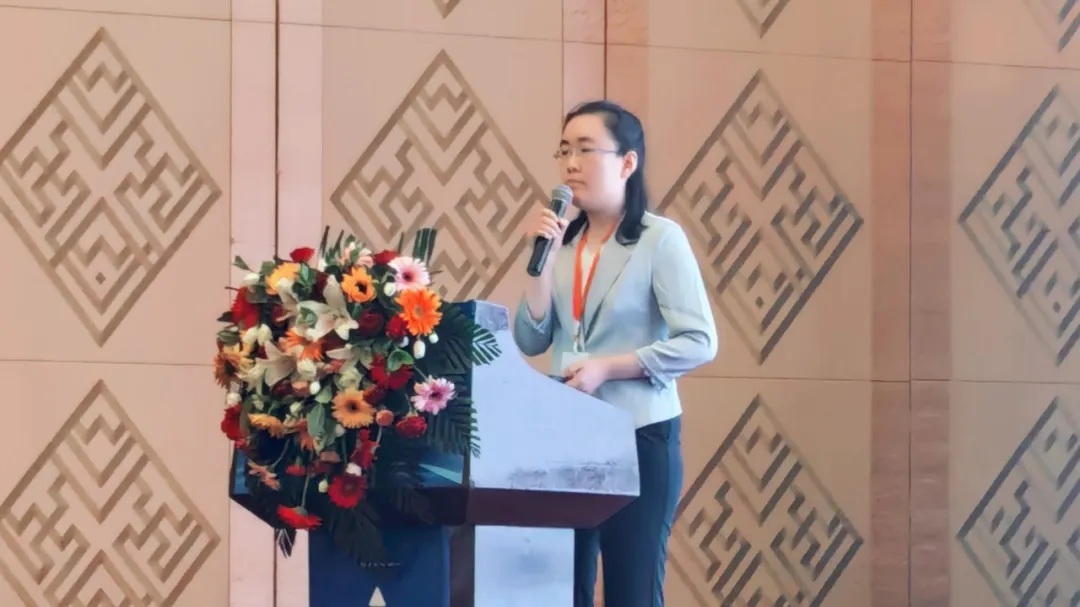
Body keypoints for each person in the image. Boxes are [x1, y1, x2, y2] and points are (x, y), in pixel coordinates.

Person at [512, 100, 719, 607]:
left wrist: (609, 367)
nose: (570, 164)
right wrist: (541, 265)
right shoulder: (564, 244)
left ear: (627, 163)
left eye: (586, 150)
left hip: (638, 434)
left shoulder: (659, 240)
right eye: (564, 151)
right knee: (562, 591)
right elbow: (532, 340)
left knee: (631, 590)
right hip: (565, 436)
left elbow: (699, 341)